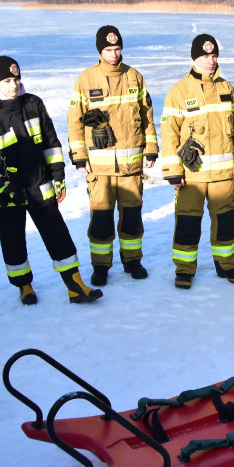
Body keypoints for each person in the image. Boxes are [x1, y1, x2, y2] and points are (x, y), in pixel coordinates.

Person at [0, 56, 102, 305]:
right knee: (12, 238)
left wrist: (58, 176)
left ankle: (75, 285)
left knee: (57, 233)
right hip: (4, 190)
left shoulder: (33, 104)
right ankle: (24, 286)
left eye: (16, 79)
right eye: (7, 80)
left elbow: (51, 143)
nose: (12, 85)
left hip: (39, 184)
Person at [67, 26, 159, 286]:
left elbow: (147, 118)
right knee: (102, 221)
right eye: (108, 50)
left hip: (131, 168)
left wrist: (151, 148)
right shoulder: (86, 79)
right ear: (100, 51)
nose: (114, 54)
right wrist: (79, 155)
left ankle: (132, 260)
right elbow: (74, 121)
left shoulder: (135, 77)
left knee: (132, 218)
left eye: (117, 49)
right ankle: (101, 266)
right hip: (99, 169)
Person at [161, 34, 234, 289]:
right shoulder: (179, 91)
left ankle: (226, 265)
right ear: (194, 58)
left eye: (214, 56)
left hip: (223, 174)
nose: (211, 61)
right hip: (192, 175)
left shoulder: (227, 89)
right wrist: (172, 170)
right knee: (188, 222)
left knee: (225, 221)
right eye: (205, 56)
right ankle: (184, 270)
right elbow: (168, 133)